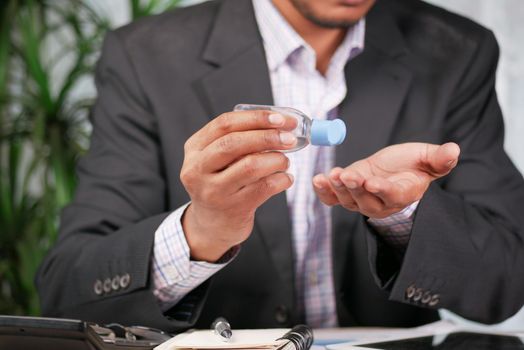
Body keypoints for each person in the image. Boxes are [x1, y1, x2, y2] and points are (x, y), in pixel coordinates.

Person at [37, 0, 524, 332]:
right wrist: (200, 233)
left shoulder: (456, 52)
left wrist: (408, 217)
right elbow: (69, 292)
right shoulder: (146, 57)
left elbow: (507, 279)